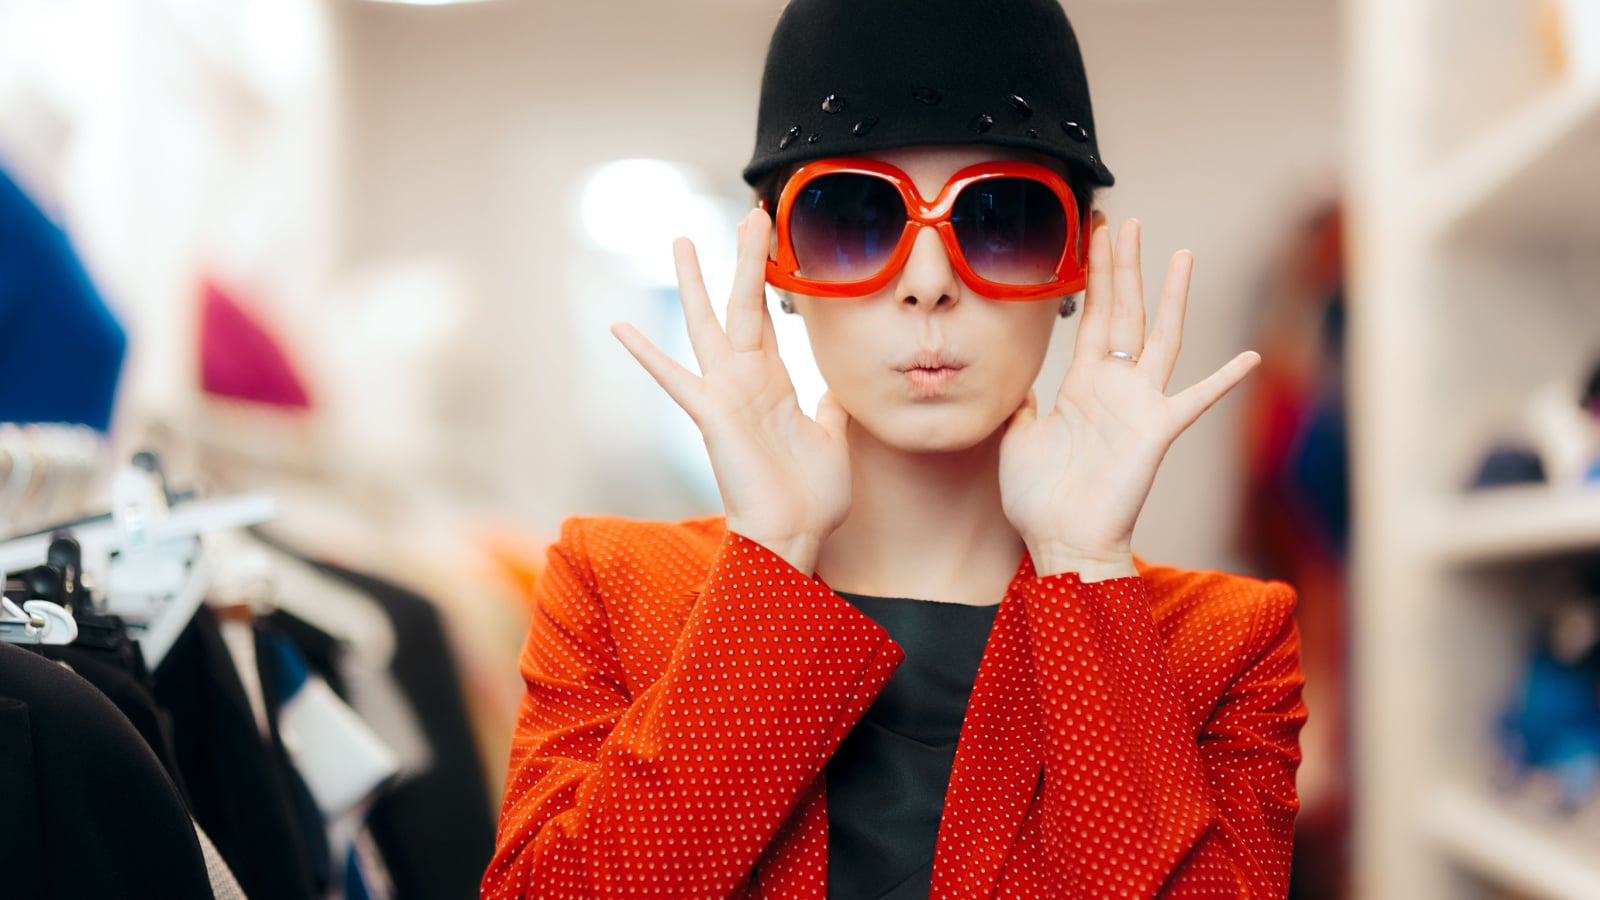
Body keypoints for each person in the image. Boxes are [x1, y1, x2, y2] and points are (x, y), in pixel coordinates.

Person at [481, 0, 1307, 897]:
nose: (927, 285)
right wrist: (772, 556)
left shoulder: (1227, 646)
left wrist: (1084, 568)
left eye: (1002, 220)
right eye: (853, 220)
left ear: (1080, 264)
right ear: (773, 259)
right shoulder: (610, 591)